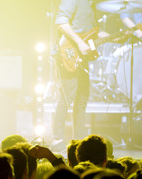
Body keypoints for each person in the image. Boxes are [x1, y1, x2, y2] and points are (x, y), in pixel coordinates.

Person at [52, 0, 124, 142]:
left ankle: (79, 140)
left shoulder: (92, 6)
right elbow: (61, 22)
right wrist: (79, 42)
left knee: (82, 99)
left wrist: (116, 38)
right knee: (68, 96)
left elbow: (94, 32)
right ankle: (57, 139)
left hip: (82, 56)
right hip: (69, 52)